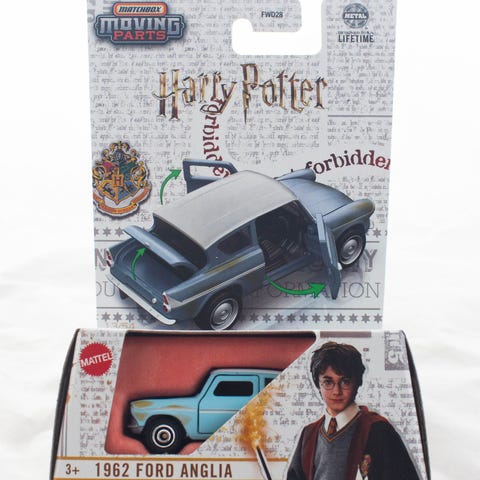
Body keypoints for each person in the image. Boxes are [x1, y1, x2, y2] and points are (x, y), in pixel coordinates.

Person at [286, 342, 421, 480]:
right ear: (318, 384)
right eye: (328, 382)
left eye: (345, 382)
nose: (337, 391)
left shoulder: (379, 430)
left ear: (357, 382)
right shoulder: (308, 434)